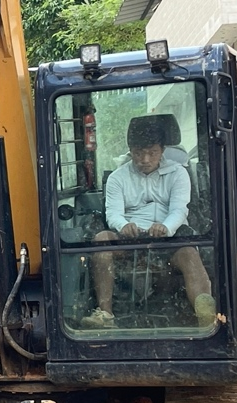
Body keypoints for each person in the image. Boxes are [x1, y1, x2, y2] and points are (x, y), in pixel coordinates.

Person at [82, 116, 215, 329]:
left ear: (162, 150)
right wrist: (123, 225)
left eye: (151, 153)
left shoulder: (178, 174)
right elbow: (113, 213)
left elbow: (179, 209)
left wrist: (166, 227)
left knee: (190, 253)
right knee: (101, 240)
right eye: (138, 153)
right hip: (130, 240)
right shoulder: (117, 178)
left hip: (168, 238)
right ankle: (105, 314)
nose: (144, 159)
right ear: (130, 151)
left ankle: (206, 318)